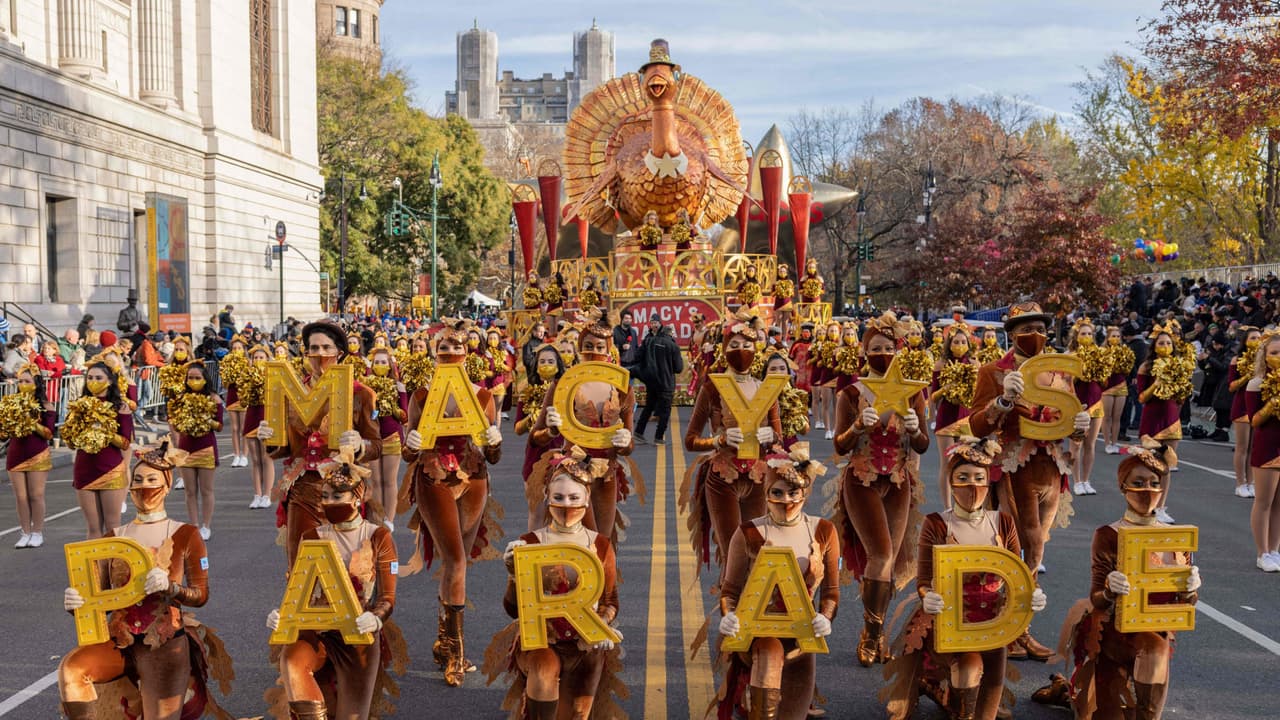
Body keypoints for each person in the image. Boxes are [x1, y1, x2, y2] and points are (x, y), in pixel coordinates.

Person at [58, 441, 233, 720]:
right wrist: (75, 603)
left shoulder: (186, 534)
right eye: (137, 479)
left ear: (166, 484)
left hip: (165, 646)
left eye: (152, 479)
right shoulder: (114, 534)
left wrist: (170, 587)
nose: (144, 487)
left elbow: (201, 595)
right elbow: (98, 598)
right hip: (120, 642)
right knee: (73, 669)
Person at [1031, 441, 1201, 719]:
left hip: (1153, 637)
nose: (1147, 490)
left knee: (1155, 655)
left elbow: (1182, 603)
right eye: (1138, 482)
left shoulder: (1176, 539)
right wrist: (1110, 589)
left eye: (1153, 483)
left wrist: (1191, 589)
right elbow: (1097, 596)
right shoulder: (1108, 534)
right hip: (1112, 635)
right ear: (1123, 487)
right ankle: (1069, 691)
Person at [882, 437, 1049, 720]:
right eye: (963, 477)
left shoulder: (1003, 522)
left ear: (989, 481)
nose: (972, 485)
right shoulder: (937, 523)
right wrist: (928, 596)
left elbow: (1018, 574)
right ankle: (945, 690)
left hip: (995, 626)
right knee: (968, 671)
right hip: (951, 624)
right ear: (951, 481)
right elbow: (924, 579)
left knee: (987, 711)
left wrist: (1031, 594)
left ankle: (945, 693)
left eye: (979, 477)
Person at [967, 301, 1090, 661]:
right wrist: (1003, 402)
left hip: (1050, 467)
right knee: (1013, 548)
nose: (1033, 336)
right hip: (1010, 467)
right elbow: (976, 424)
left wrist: (1079, 431)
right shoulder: (993, 371)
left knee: (1037, 550)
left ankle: (1019, 628)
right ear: (1011, 335)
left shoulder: (1059, 372)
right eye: (1024, 330)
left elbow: (1070, 416)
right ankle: (1005, 626)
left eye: (1038, 328)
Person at [399, 320, 504, 687]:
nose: (451, 353)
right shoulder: (423, 395)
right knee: (456, 559)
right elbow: (408, 452)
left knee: (456, 562)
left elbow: (493, 455)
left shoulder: (483, 396)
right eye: (443, 347)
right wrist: (410, 443)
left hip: (473, 477)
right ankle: (457, 654)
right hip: (433, 476)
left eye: (457, 347)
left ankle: (445, 641)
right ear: (435, 353)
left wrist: (493, 440)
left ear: (467, 353)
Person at [487, 447, 626, 720]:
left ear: (587, 499)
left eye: (574, 497)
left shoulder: (600, 544)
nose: (566, 504)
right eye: (559, 497)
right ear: (546, 498)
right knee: (542, 674)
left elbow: (611, 601)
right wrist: (513, 576)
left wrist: (603, 626)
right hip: (543, 642)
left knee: (575, 715)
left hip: (585, 645)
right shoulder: (530, 543)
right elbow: (514, 610)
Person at [265, 446, 403, 720]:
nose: (328, 502)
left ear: (357, 496)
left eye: (337, 496)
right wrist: (285, 614)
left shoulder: (379, 537)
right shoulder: (312, 535)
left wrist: (375, 619)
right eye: (324, 496)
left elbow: (388, 596)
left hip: (356, 633)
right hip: (317, 631)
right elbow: (299, 587)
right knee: (291, 661)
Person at [829, 311, 929, 667]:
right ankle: (871, 634)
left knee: (890, 560)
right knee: (882, 554)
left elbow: (922, 446)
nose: (883, 353)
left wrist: (916, 429)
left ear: (898, 350)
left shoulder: (914, 393)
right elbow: (840, 446)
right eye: (875, 348)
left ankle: (878, 630)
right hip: (861, 480)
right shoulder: (851, 393)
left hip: (899, 483)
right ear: (864, 351)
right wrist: (857, 426)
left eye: (889, 347)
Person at [716, 444, 837, 720]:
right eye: (777, 493)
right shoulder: (747, 532)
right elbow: (730, 589)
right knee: (768, 660)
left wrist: (826, 617)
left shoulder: (824, 531)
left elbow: (830, 591)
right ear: (766, 493)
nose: (786, 500)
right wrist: (729, 615)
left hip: (801, 637)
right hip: (760, 633)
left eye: (793, 492)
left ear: (804, 493)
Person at [255, 321, 383, 565]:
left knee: (348, 566)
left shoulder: (361, 394)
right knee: (302, 564)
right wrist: (270, 439)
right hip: (303, 489)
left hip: (344, 489)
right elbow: (285, 449)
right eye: (313, 348)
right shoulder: (291, 392)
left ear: (340, 353)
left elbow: (376, 445)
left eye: (326, 347)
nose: (320, 354)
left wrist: (359, 445)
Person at [682, 310, 781, 581]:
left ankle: (753, 614)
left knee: (757, 549)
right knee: (733, 551)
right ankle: (732, 616)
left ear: (756, 348)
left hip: (759, 476)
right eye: (734, 345)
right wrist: (718, 440)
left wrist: (770, 436)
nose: (741, 350)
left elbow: (779, 438)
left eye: (747, 345)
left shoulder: (766, 388)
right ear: (724, 350)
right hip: (722, 477)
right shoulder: (713, 387)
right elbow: (690, 440)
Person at [532, 311, 638, 544]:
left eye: (601, 347)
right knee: (581, 541)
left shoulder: (622, 388)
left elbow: (629, 445)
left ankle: (605, 580)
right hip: (573, 472)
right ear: (580, 348)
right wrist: (551, 430)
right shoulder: (563, 385)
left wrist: (624, 442)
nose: (594, 352)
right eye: (588, 346)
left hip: (607, 472)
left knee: (603, 542)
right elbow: (535, 438)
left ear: (609, 350)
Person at [65, 361, 134, 538]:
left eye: (98, 377)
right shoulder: (78, 406)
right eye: (90, 377)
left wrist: (103, 430)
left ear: (110, 381)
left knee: (112, 525)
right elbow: (71, 443)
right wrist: (73, 433)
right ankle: (95, 566)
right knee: (93, 527)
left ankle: (112, 565)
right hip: (84, 469)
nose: (93, 381)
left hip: (110, 469)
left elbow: (126, 443)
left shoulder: (121, 407)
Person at [1136, 320, 1192, 521]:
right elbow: (1142, 398)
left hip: (1171, 418)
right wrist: (1156, 384)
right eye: (1161, 343)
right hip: (1152, 418)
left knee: (1167, 466)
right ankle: (1146, 505)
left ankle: (1160, 508)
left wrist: (1181, 392)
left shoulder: (1178, 366)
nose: (1165, 347)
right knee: (1150, 467)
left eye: (1168, 343)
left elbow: (1181, 397)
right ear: (1154, 346)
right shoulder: (1146, 366)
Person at [168, 362, 223, 540]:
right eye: (190, 377)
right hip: (185, 449)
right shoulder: (181, 399)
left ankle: (206, 525)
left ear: (205, 379)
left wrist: (206, 420)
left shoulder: (214, 399)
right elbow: (174, 422)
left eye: (197, 378)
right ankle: (194, 525)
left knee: (207, 490)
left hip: (206, 448)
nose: (193, 381)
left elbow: (220, 426)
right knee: (190, 491)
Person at [2, 364, 55, 548]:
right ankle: (24, 532)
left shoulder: (46, 405)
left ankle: (37, 532)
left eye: (27, 381)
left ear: (36, 383)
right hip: (16, 454)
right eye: (20, 381)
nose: (23, 384)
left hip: (37, 454)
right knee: (21, 497)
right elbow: (4, 433)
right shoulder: (11, 402)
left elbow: (49, 433)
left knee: (36, 495)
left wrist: (30, 422)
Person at [515, 344, 565, 530]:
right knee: (536, 511)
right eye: (542, 361)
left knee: (560, 511)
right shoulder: (526, 393)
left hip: (561, 453)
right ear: (535, 366)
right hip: (536, 455)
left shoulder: (567, 391)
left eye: (551, 361)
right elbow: (518, 429)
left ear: (558, 365)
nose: (546, 365)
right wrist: (533, 419)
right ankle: (534, 553)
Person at [931, 322, 979, 510]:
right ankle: (947, 506)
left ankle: (965, 503)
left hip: (967, 418)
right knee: (948, 463)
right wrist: (946, 389)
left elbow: (980, 394)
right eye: (955, 341)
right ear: (949, 344)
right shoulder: (940, 364)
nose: (959, 345)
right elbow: (933, 396)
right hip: (946, 418)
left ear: (968, 343)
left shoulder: (975, 364)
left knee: (968, 463)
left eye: (962, 341)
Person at [1245, 331, 1280, 572]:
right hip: (1267, 445)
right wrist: (1273, 404)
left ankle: (1274, 551)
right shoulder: (1256, 383)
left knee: (1279, 504)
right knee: (1264, 501)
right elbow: (1254, 421)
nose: (1279, 356)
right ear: (1265, 357)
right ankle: (1262, 552)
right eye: (1274, 353)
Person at [366, 346, 408, 532]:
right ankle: (377, 518)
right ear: (372, 365)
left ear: (390, 365)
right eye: (377, 362)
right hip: (372, 437)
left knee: (389, 481)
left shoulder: (398, 386)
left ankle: (389, 520)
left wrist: (393, 407)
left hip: (392, 437)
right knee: (375, 481)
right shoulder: (366, 386)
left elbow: (405, 416)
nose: (380, 365)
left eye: (384, 362)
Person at [1069, 317, 1107, 496]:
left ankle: (1086, 480)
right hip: (1077, 404)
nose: (1087, 336)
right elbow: (1065, 382)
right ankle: (1076, 481)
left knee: (1090, 445)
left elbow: (1105, 381)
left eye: (1090, 333)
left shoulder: (1100, 354)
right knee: (1076, 445)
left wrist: (1098, 370)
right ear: (1076, 336)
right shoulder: (1070, 356)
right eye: (1083, 333)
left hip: (1096, 402)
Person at [635, 317, 684, 444]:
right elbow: (678, 368)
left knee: (648, 407)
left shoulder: (649, 341)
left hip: (652, 382)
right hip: (666, 382)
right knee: (665, 410)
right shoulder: (673, 346)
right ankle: (658, 436)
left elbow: (638, 356)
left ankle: (638, 432)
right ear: (671, 333)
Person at [1229, 327, 1263, 498]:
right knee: (1242, 447)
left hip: (1257, 406)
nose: (1257, 341)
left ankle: (1251, 483)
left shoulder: (1265, 360)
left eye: (1259, 338)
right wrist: (1247, 376)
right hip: (1242, 405)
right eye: (1253, 338)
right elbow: (1231, 386)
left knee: (1253, 447)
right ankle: (1240, 483)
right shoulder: (1237, 359)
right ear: (1245, 341)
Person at [242, 345, 274, 509]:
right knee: (254, 459)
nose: (258, 360)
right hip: (252, 415)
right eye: (255, 358)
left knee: (266, 457)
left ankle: (267, 495)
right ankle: (257, 494)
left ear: (268, 360)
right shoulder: (246, 375)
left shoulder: (272, 376)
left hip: (266, 415)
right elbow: (242, 398)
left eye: (261, 358)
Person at [1100, 326, 1135, 455]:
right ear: (1108, 338)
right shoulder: (1102, 351)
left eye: (1118, 336)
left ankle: (1115, 443)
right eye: (1113, 336)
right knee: (1107, 417)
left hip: (1121, 385)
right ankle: (1107, 443)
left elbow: (1131, 367)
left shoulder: (1125, 351)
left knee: (1117, 417)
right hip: (1107, 386)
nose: (1116, 338)